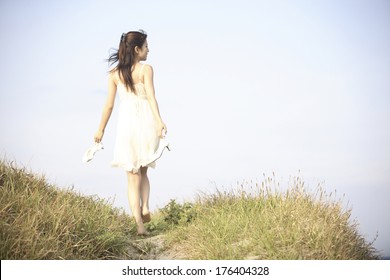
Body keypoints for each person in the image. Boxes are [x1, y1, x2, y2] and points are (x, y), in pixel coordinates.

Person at [94, 30, 168, 236]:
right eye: (146, 46)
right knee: (143, 170)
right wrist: (159, 121)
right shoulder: (146, 69)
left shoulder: (114, 75)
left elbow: (108, 106)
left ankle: (139, 225)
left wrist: (100, 129)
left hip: (126, 126)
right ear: (137, 49)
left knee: (131, 175)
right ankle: (145, 207)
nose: (148, 49)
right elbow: (152, 98)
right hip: (146, 123)